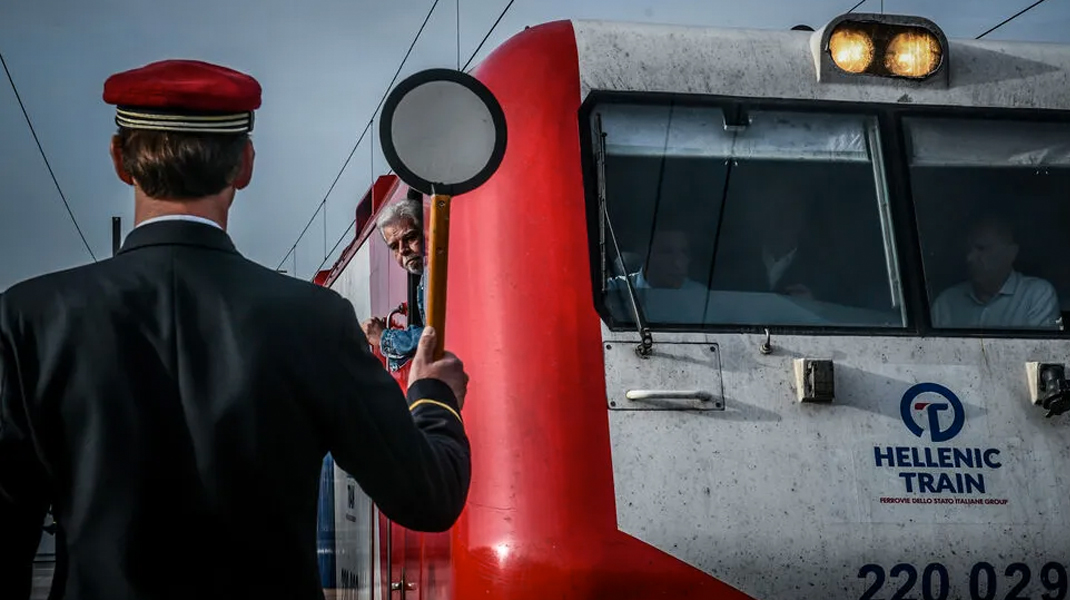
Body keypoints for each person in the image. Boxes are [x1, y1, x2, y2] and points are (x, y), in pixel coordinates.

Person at [0, 59, 471, 600]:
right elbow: (427, 497)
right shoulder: (314, 320)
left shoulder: (29, 319)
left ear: (120, 160)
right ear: (244, 164)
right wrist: (432, 396)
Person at [931, 216, 1061, 329]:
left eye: (981, 248)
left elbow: (1038, 349)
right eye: (968, 249)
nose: (969, 258)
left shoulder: (1035, 296)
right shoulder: (946, 304)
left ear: (1011, 253)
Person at [361, 193, 426, 371]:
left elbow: (440, 338)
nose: (403, 250)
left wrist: (384, 337)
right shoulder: (423, 283)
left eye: (410, 237)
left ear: (427, 233)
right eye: (394, 246)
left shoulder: (441, 276)